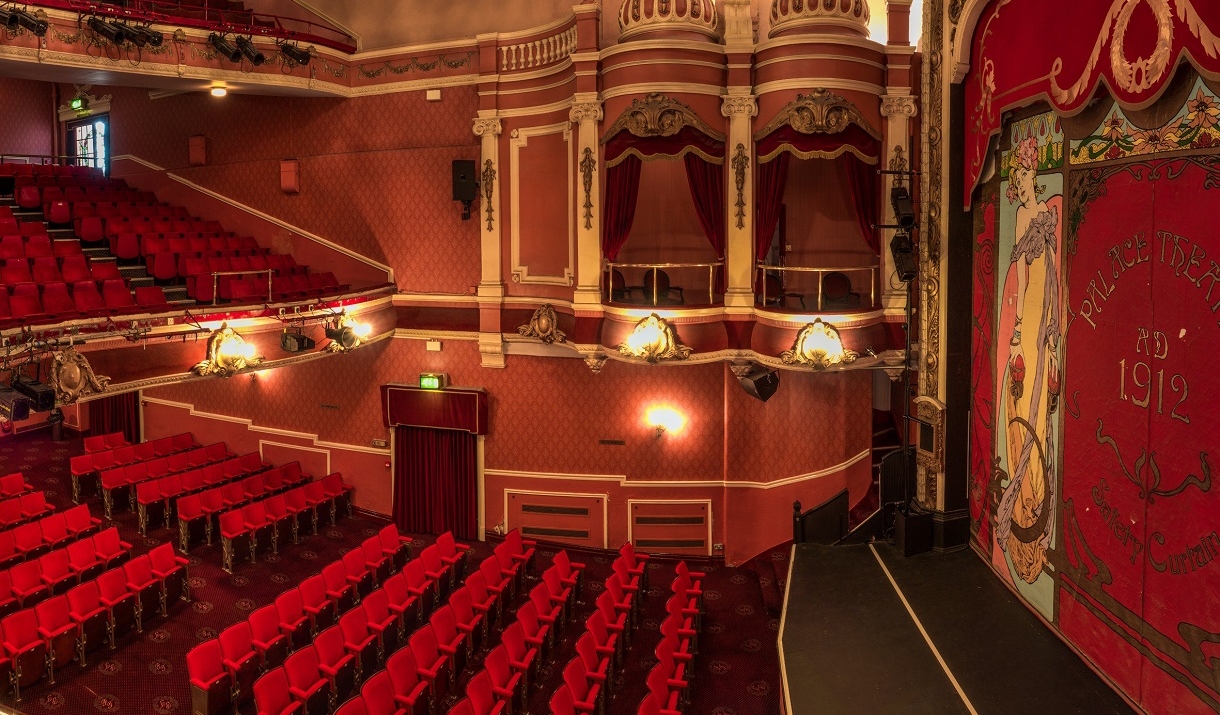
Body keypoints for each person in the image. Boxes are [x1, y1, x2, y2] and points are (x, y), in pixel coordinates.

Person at [995, 136, 1060, 585]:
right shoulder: (1024, 217)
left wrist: (1049, 331)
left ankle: (1034, 499)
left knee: (1038, 411)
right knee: (1023, 408)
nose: (1021, 183)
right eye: (1018, 178)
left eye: (1023, 176)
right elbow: (1023, 273)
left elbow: (1049, 272)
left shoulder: (1043, 217)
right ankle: (1021, 496)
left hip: (1043, 323)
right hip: (1028, 320)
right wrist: (1019, 330)